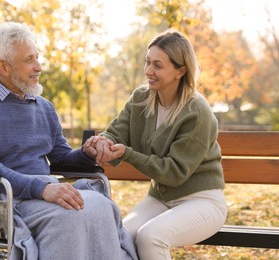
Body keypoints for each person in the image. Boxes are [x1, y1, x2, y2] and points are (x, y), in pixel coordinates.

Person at [0, 22, 137, 260]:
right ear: (4, 67)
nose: (39, 67)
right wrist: (42, 189)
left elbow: (60, 157)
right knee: (69, 216)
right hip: (0, 198)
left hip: (41, 192)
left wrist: (86, 153)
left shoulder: (43, 107)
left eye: (37, 58)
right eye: (29, 59)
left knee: (100, 206)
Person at [85, 29, 227, 259]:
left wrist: (128, 154)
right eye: (147, 62)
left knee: (151, 237)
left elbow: (174, 173)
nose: (148, 71)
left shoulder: (197, 112)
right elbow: (116, 132)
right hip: (161, 199)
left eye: (158, 66)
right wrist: (102, 142)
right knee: (119, 235)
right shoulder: (141, 98)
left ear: (180, 71)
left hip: (203, 202)